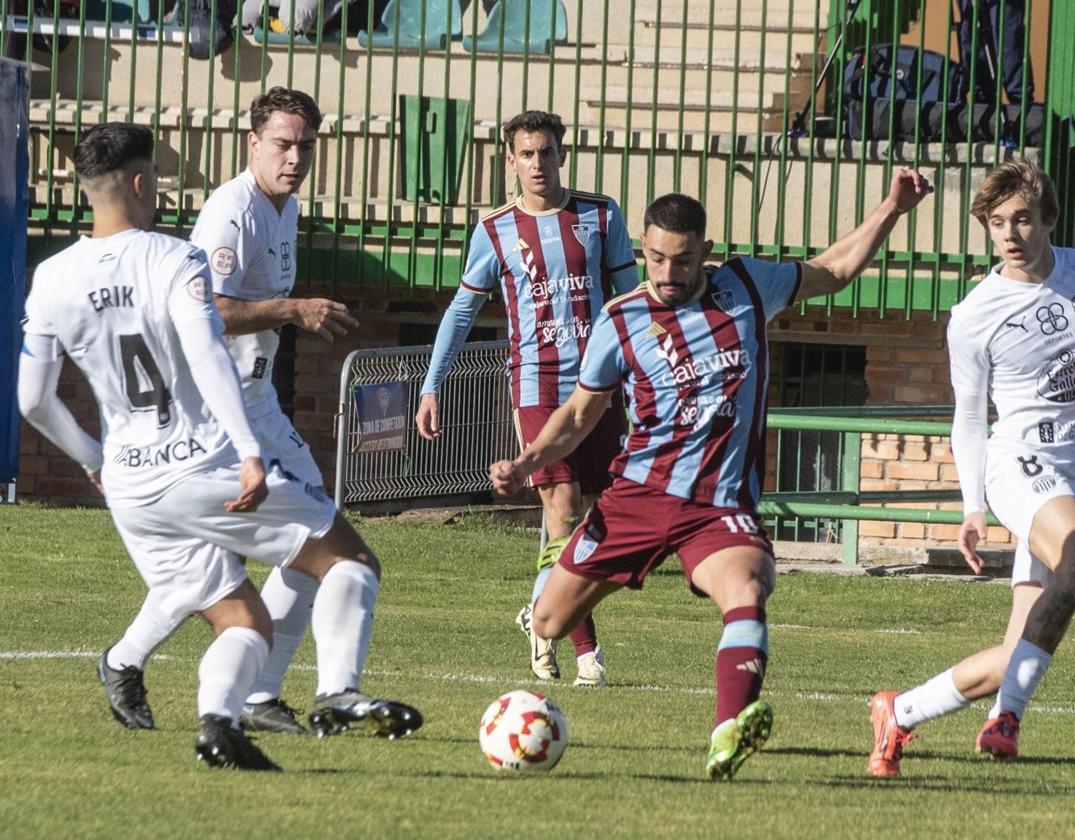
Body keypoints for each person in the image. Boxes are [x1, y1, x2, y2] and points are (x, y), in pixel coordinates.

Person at [490, 171, 931, 779]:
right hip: (636, 498)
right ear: (643, 249)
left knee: (748, 590)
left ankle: (729, 732)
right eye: (656, 259)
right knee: (548, 622)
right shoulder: (620, 320)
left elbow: (833, 271)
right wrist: (526, 462)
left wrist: (893, 207)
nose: (668, 274)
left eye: (683, 260)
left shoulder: (747, 285)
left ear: (706, 252)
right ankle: (556, 581)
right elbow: (577, 416)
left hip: (717, 506)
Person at [18, 122, 420, 769]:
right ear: (143, 182)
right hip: (201, 466)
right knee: (350, 560)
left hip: (129, 488)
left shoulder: (53, 278)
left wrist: (95, 459)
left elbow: (33, 399)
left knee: (244, 620)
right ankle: (338, 692)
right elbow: (209, 355)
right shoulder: (174, 260)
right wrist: (248, 451)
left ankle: (220, 725)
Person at [99, 87, 372, 737]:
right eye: (282, 144)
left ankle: (254, 694)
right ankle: (133, 660)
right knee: (239, 559)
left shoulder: (287, 204)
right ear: (252, 143)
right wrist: (293, 309)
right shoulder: (231, 213)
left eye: (305, 146)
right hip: (214, 415)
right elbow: (208, 311)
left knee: (313, 543)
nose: (295, 157)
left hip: (258, 405)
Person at [867, 159, 1075, 778]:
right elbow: (968, 418)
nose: (1010, 233)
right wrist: (972, 505)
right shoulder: (974, 314)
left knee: (1017, 648)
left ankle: (900, 711)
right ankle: (1007, 719)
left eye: (1022, 218)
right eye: (997, 223)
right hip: (1018, 463)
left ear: (1048, 218)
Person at [415, 110, 639, 687]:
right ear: (510, 161)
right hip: (536, 388)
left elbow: (630, 303)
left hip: (599, 390)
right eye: (526, 154)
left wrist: (643, 379)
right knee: (562, 512)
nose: (537, 163)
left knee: (601, 523)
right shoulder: (494, 231)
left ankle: (541, 613)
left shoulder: (600, 213)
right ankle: (581, 648)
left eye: (546, 152)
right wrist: (433, 383)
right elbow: (463, 310)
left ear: (562, 154)